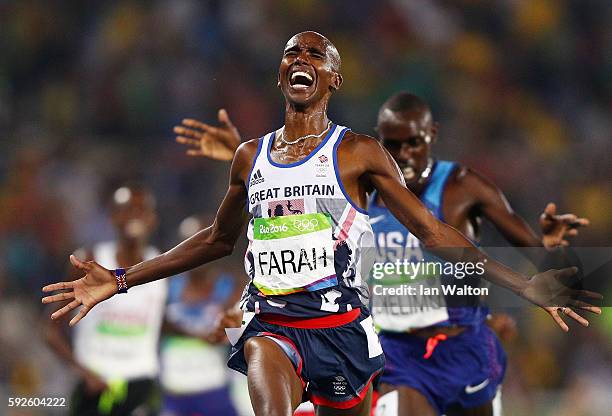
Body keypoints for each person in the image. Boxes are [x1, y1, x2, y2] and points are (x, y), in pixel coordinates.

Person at [43, 32, 600, 416]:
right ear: (282, 71)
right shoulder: (249, 156)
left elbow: (432, 234)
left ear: (333, 77)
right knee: (266, 367)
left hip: (343, 333)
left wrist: (524, 283)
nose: (300, 56)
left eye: (315, 52)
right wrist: (121, 280)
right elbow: (216, 240)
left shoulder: (358, 153)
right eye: (291, 51)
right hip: (273, 326)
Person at [174, 93, 590, 416]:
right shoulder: (365, 190)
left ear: (432, 135)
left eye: (413, 143)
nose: (404, 155)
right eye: (393, 145)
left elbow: (517, 250)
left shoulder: (462, 187)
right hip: (394, 351)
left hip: (463, 343)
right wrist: (243, 158)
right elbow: (297, 203)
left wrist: (545, 249)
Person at [44, 184, 167, 416]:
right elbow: (50, 329)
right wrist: (84, 373)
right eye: (126, 209)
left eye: (141, 210)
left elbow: (165, 321)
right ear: (112, 218)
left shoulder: (161, 266)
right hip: (94, 385)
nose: (134, 216)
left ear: (153, 219)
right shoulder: (89, 261)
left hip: (141, 384)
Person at [159, 216, 241, 416]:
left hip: (214, 388)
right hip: (174, 389)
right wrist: (198, 335)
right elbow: (156, 325)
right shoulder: (166, 286)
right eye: (189, 243)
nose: (197, 253)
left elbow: (238, 333)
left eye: (203, 244)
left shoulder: (232, 286)